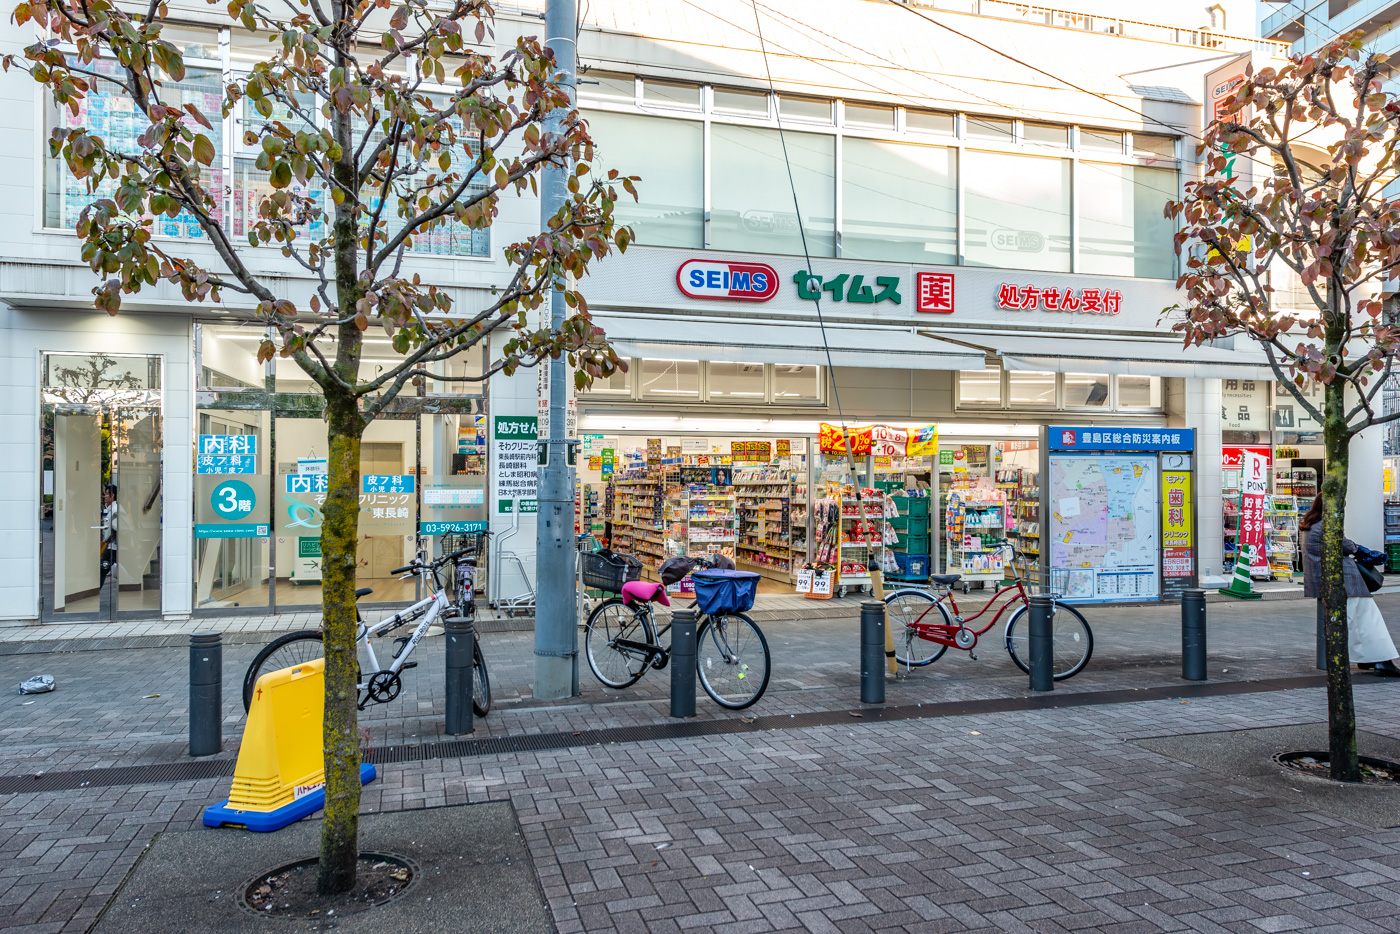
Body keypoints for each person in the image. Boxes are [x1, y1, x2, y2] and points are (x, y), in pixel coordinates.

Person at [1300, 493, 1400, 676]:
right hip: (1344, 580)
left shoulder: (1309, 525)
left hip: (1324, 581)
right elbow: (1347, 546)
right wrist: (1362, 550)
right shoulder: (1326, 525)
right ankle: (1383, 661)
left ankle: (1368, 658)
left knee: (1357, 620)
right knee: (1369, 619)